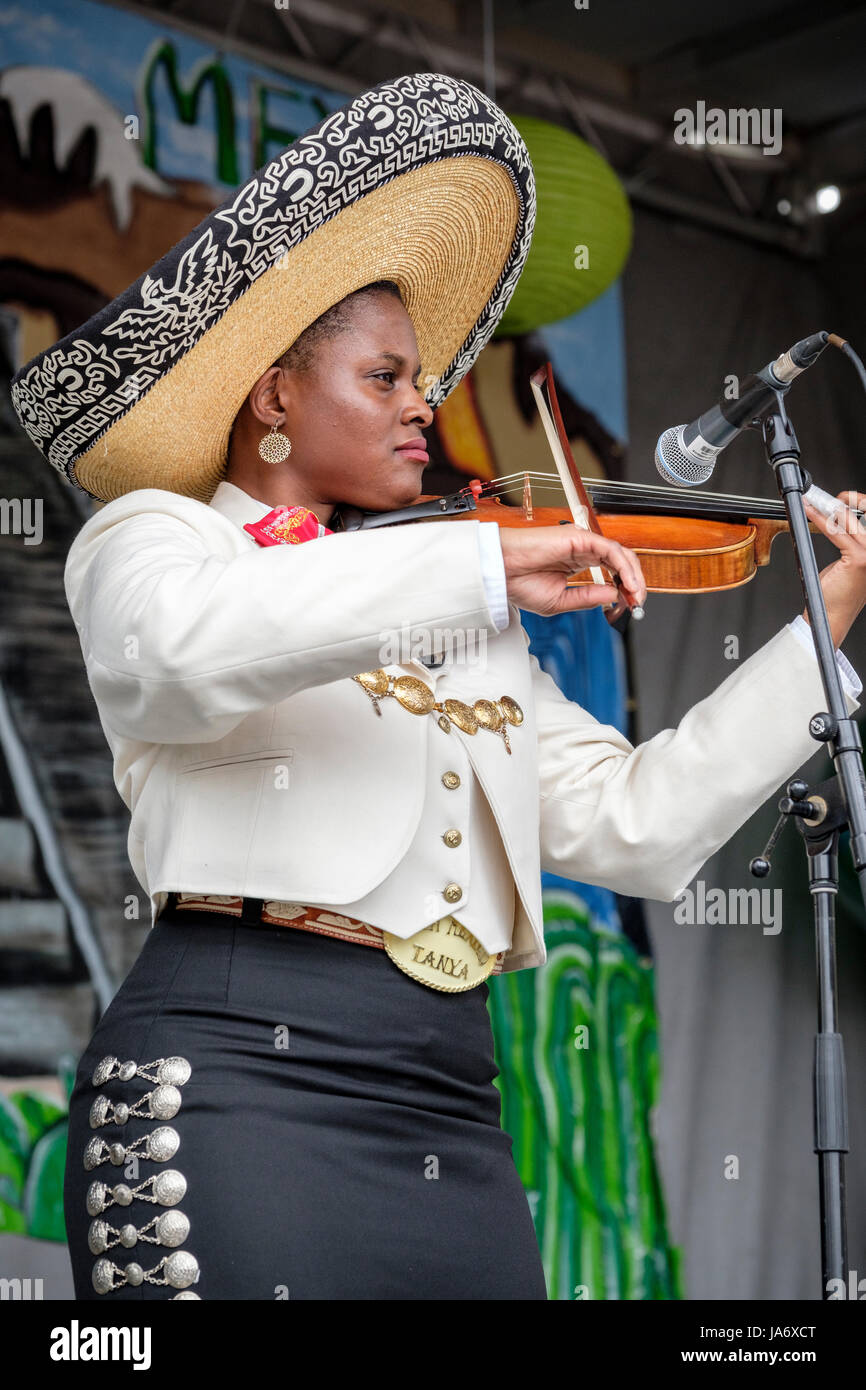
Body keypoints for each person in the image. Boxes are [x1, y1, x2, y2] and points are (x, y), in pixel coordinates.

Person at [11, 74, 866, 1301]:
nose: (426, 407)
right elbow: (179, 656)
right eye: (386, 378)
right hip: (241, 1073)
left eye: (422, 380)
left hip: (449, 1106)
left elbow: (636, 823)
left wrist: (821, 623)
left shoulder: (460, 613)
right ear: (275, 396)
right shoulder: (160, 538)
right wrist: (479, 558)